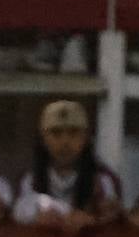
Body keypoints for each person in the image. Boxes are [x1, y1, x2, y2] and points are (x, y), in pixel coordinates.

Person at [12, 99, 125, 230]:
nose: (65, 142)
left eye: (73, 133)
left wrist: (94, 220)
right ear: (43, 138)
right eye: (56, 133)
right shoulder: (29, 180)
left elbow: (113, 223)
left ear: (86, 138)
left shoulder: (104, 180)